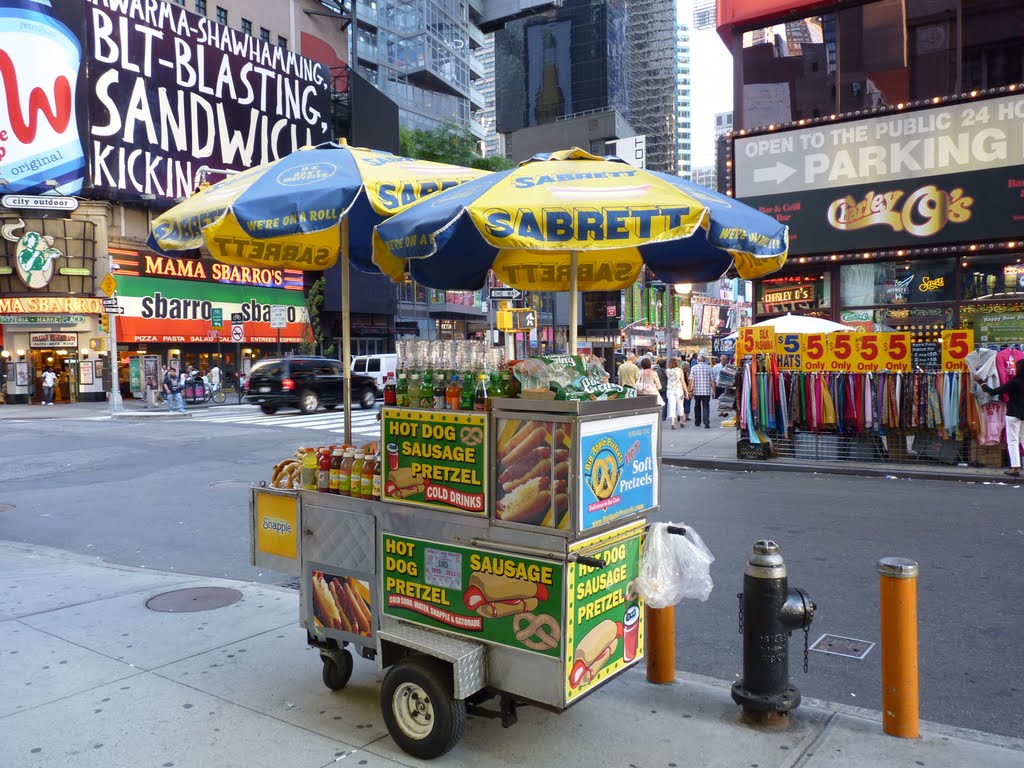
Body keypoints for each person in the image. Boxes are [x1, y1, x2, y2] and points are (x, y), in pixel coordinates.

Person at [977, 358, 1024, 477]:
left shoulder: (1014, 382)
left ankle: (1015, 467)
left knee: (1013, 441)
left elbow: (992, 392)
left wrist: (980, 381)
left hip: (1013, 413)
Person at [690, 353, 715, 429]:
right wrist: (714, 391)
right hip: (706, 391)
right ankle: (706, 421)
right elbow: (712, 380)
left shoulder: (694, 368)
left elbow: (692, 380)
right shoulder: (709, 368)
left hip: (697, 391)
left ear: (697, 360)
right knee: (706, 406)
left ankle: (697, 421)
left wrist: (690, 390)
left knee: (697, 406)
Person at [666, 358, 689, 429]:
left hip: (670, 389)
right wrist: (686, 391)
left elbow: (669, 379)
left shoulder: (667, 370)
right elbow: (682, 381)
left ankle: (672, 422)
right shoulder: (679, 370)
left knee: (672, 405)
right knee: (680, 405)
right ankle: (681, 421)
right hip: (679, 389)